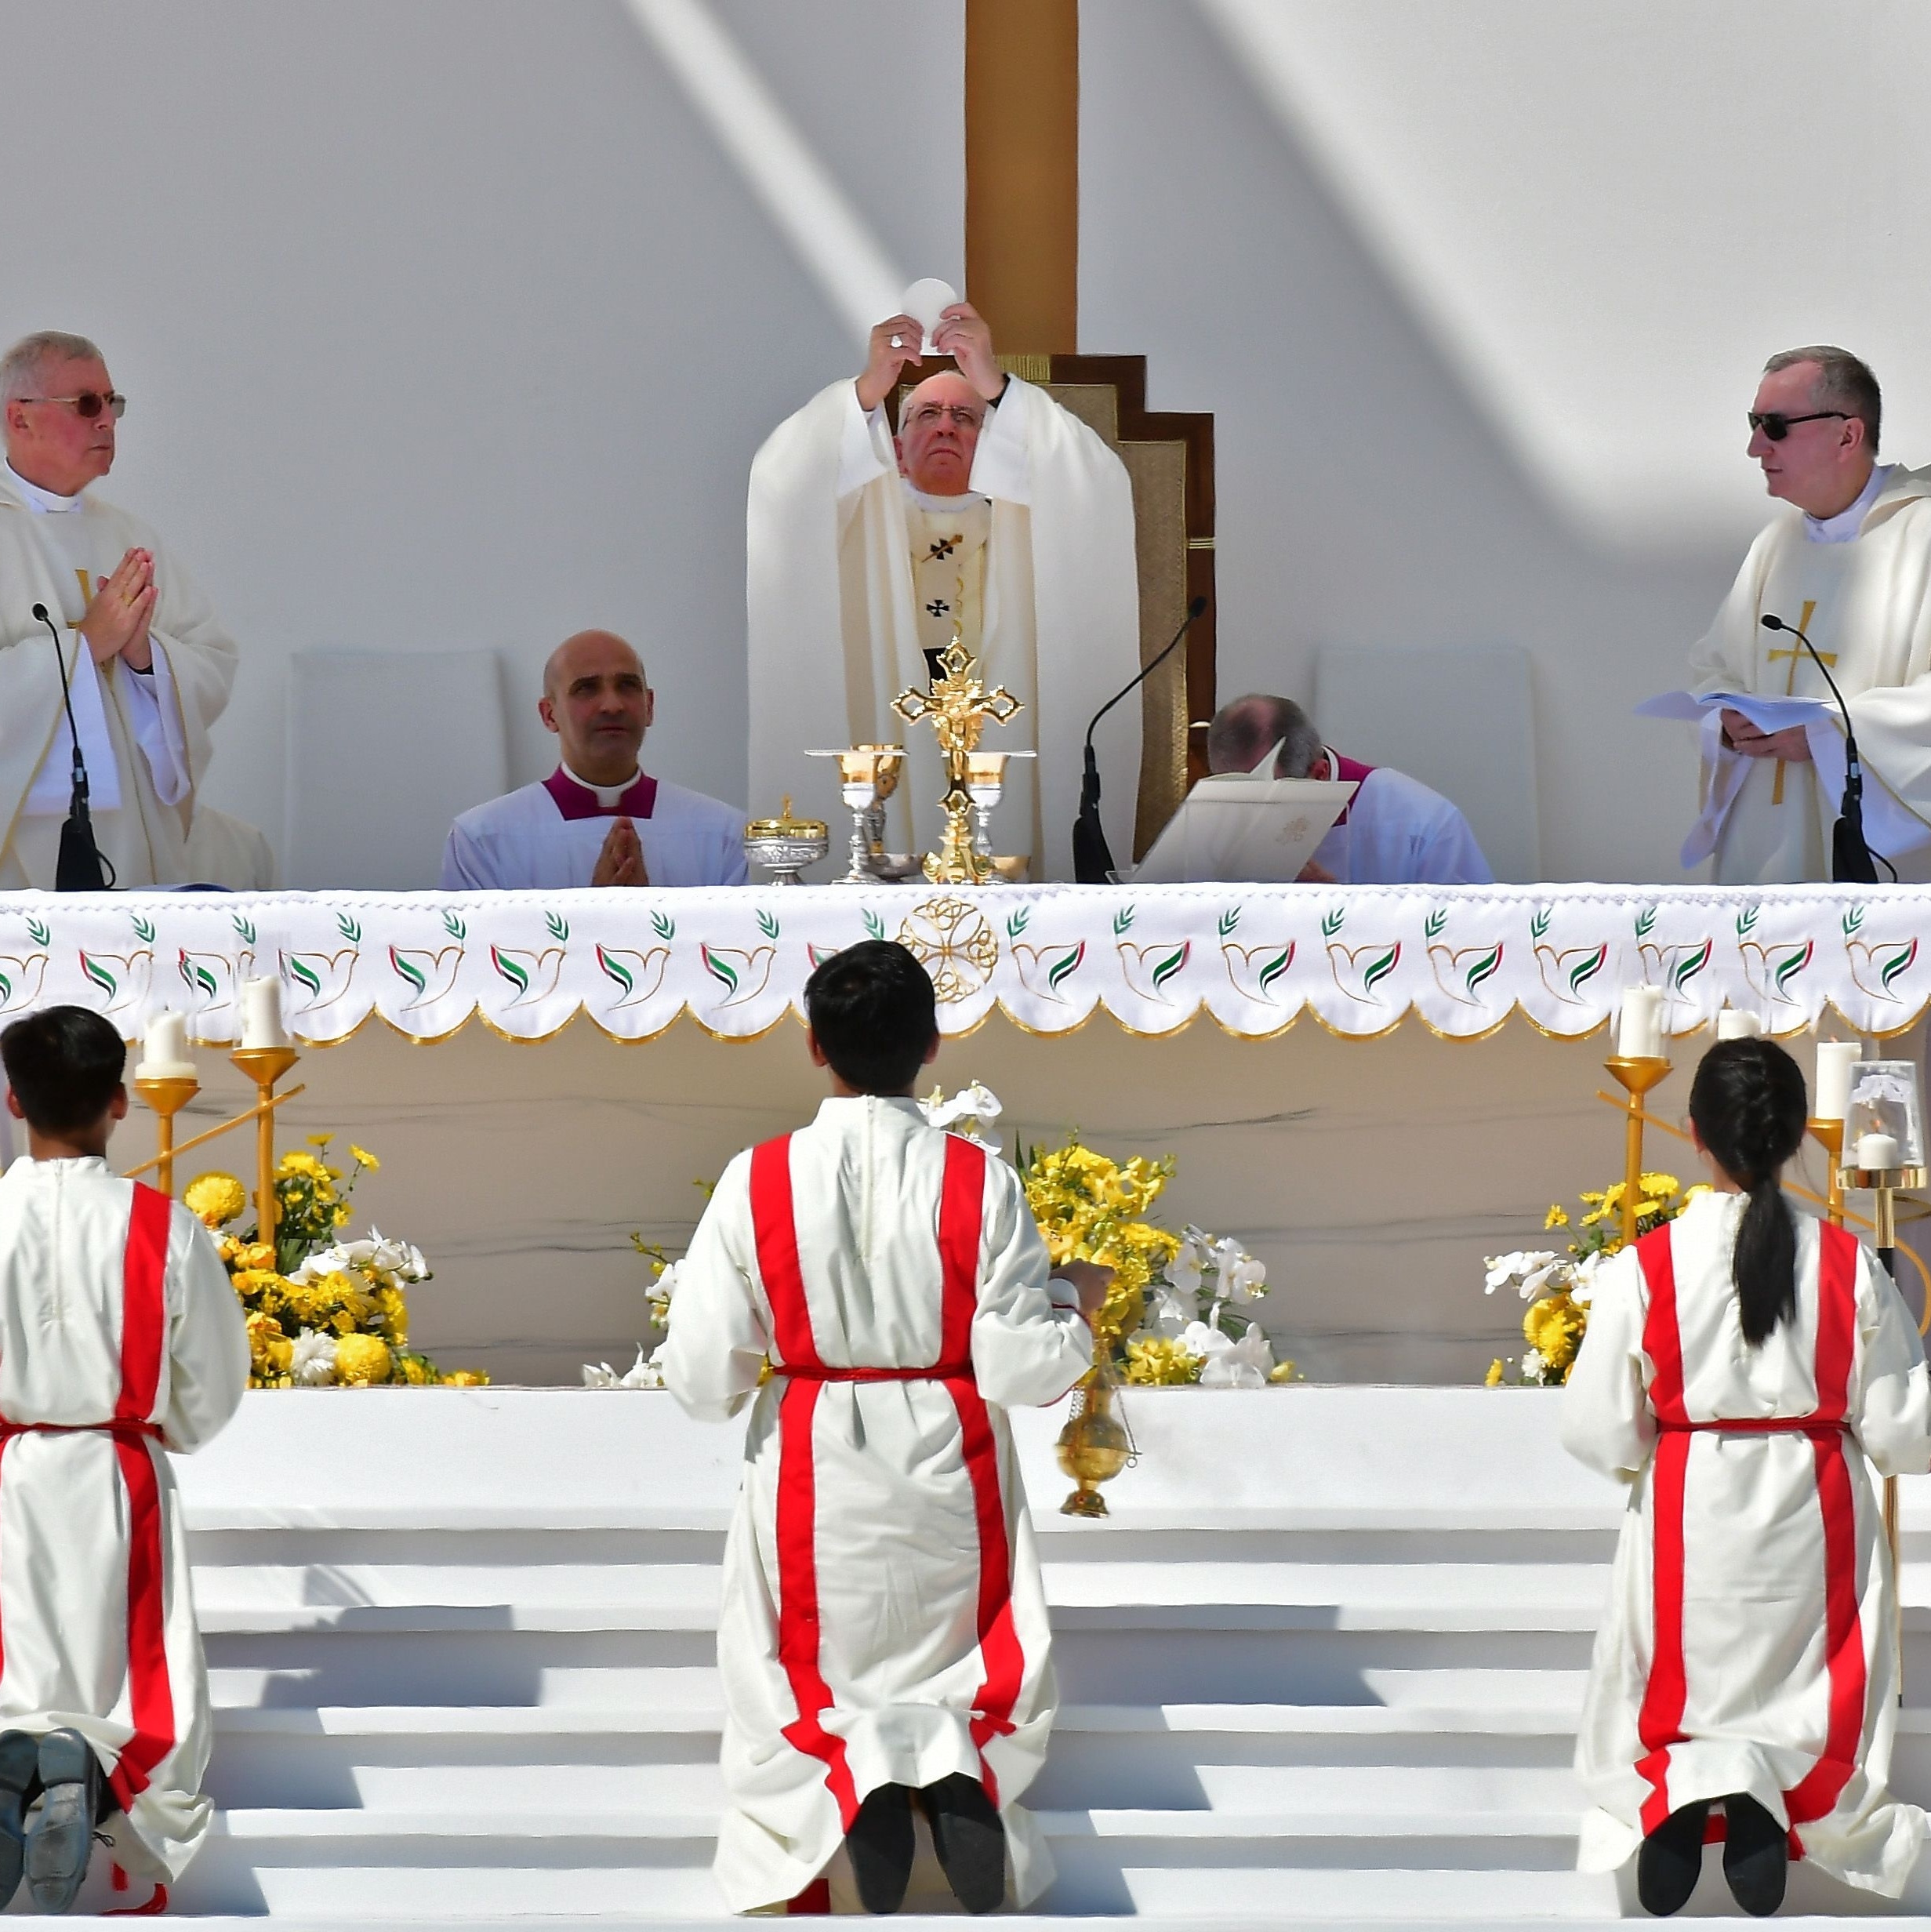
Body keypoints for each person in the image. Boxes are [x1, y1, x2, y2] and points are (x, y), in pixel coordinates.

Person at [662, 941, 1107, 1915]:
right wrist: (1077, 1307)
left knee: (806, 1669)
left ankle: (846, 1791)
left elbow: (701, 1376)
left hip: (816, 1449)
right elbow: (1017, 1365)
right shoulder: (977, 1179)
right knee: (965, 1653)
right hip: (949, 1443)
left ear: (815, 1047)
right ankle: (952, 1769)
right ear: (933, 1047)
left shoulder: (758, 1178)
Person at [1563, 1037, 1931, 1916]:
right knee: (1810, 1681)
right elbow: (1901, 1434)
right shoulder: (1849, 1267)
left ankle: (1684, 1794)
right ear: (1801, 1133)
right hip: (1816, 1506)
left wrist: (1643, 1447)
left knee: (1675, 1675)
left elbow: (1597, 1427)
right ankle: (1776, 1800)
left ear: (1692, 1133)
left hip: (1691, 1497)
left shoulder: (1645, 1267)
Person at [746, 300, 1142, 881]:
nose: (945, 426)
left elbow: (1096, 481)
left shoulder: (1029, 527)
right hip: (889, 726)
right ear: (894, 449)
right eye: (925, 414)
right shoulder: (861, 523)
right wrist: (865, 392)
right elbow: (785, 485)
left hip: (999, 728)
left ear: (996, 444)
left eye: (966, 415)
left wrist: (996, 383)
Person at [0, 1006, 248, 1911]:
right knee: (136, 1672)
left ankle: (19, 1764)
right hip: (117, 1471)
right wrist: (166, 1427)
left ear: (12, 1098)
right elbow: (213, 1379)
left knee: (14, 1653)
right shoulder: (161, 1226)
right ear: (120, 1102)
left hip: (6, 1472)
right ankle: (101, 1804)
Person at [0, 331, 271, 890]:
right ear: (20, 419)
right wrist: (85, 647)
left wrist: (148, 656)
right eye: (86, 404)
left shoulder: (127, 534)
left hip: (135, 826)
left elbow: (212, 659)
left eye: (112, 403)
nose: (107, 421)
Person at [1685, 347, 1931, 884]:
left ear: (1847, 435)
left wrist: (1830, 735)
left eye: (1774, 426)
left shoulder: (1923, 535)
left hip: (1880, 865)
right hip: (1765, 843)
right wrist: (1725, 723)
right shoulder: (1774, 544)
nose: (1754, 447)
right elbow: (1713, 670)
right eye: (1753, 424)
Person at [440, 630, 748, 889]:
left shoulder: (723, 835)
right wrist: (595, 914)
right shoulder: (484, 840)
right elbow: (477, 957)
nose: (612, 705)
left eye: (627, 686)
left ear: (649, 706)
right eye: (586, 689)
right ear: (549, 714)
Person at [1205, 693, 1491, 884]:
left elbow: (1466, 940)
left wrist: (1341, 912)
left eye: (1268, 799)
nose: (1252, 821)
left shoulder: (1425, 824)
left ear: (1319, 774)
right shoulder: (1209, 823)